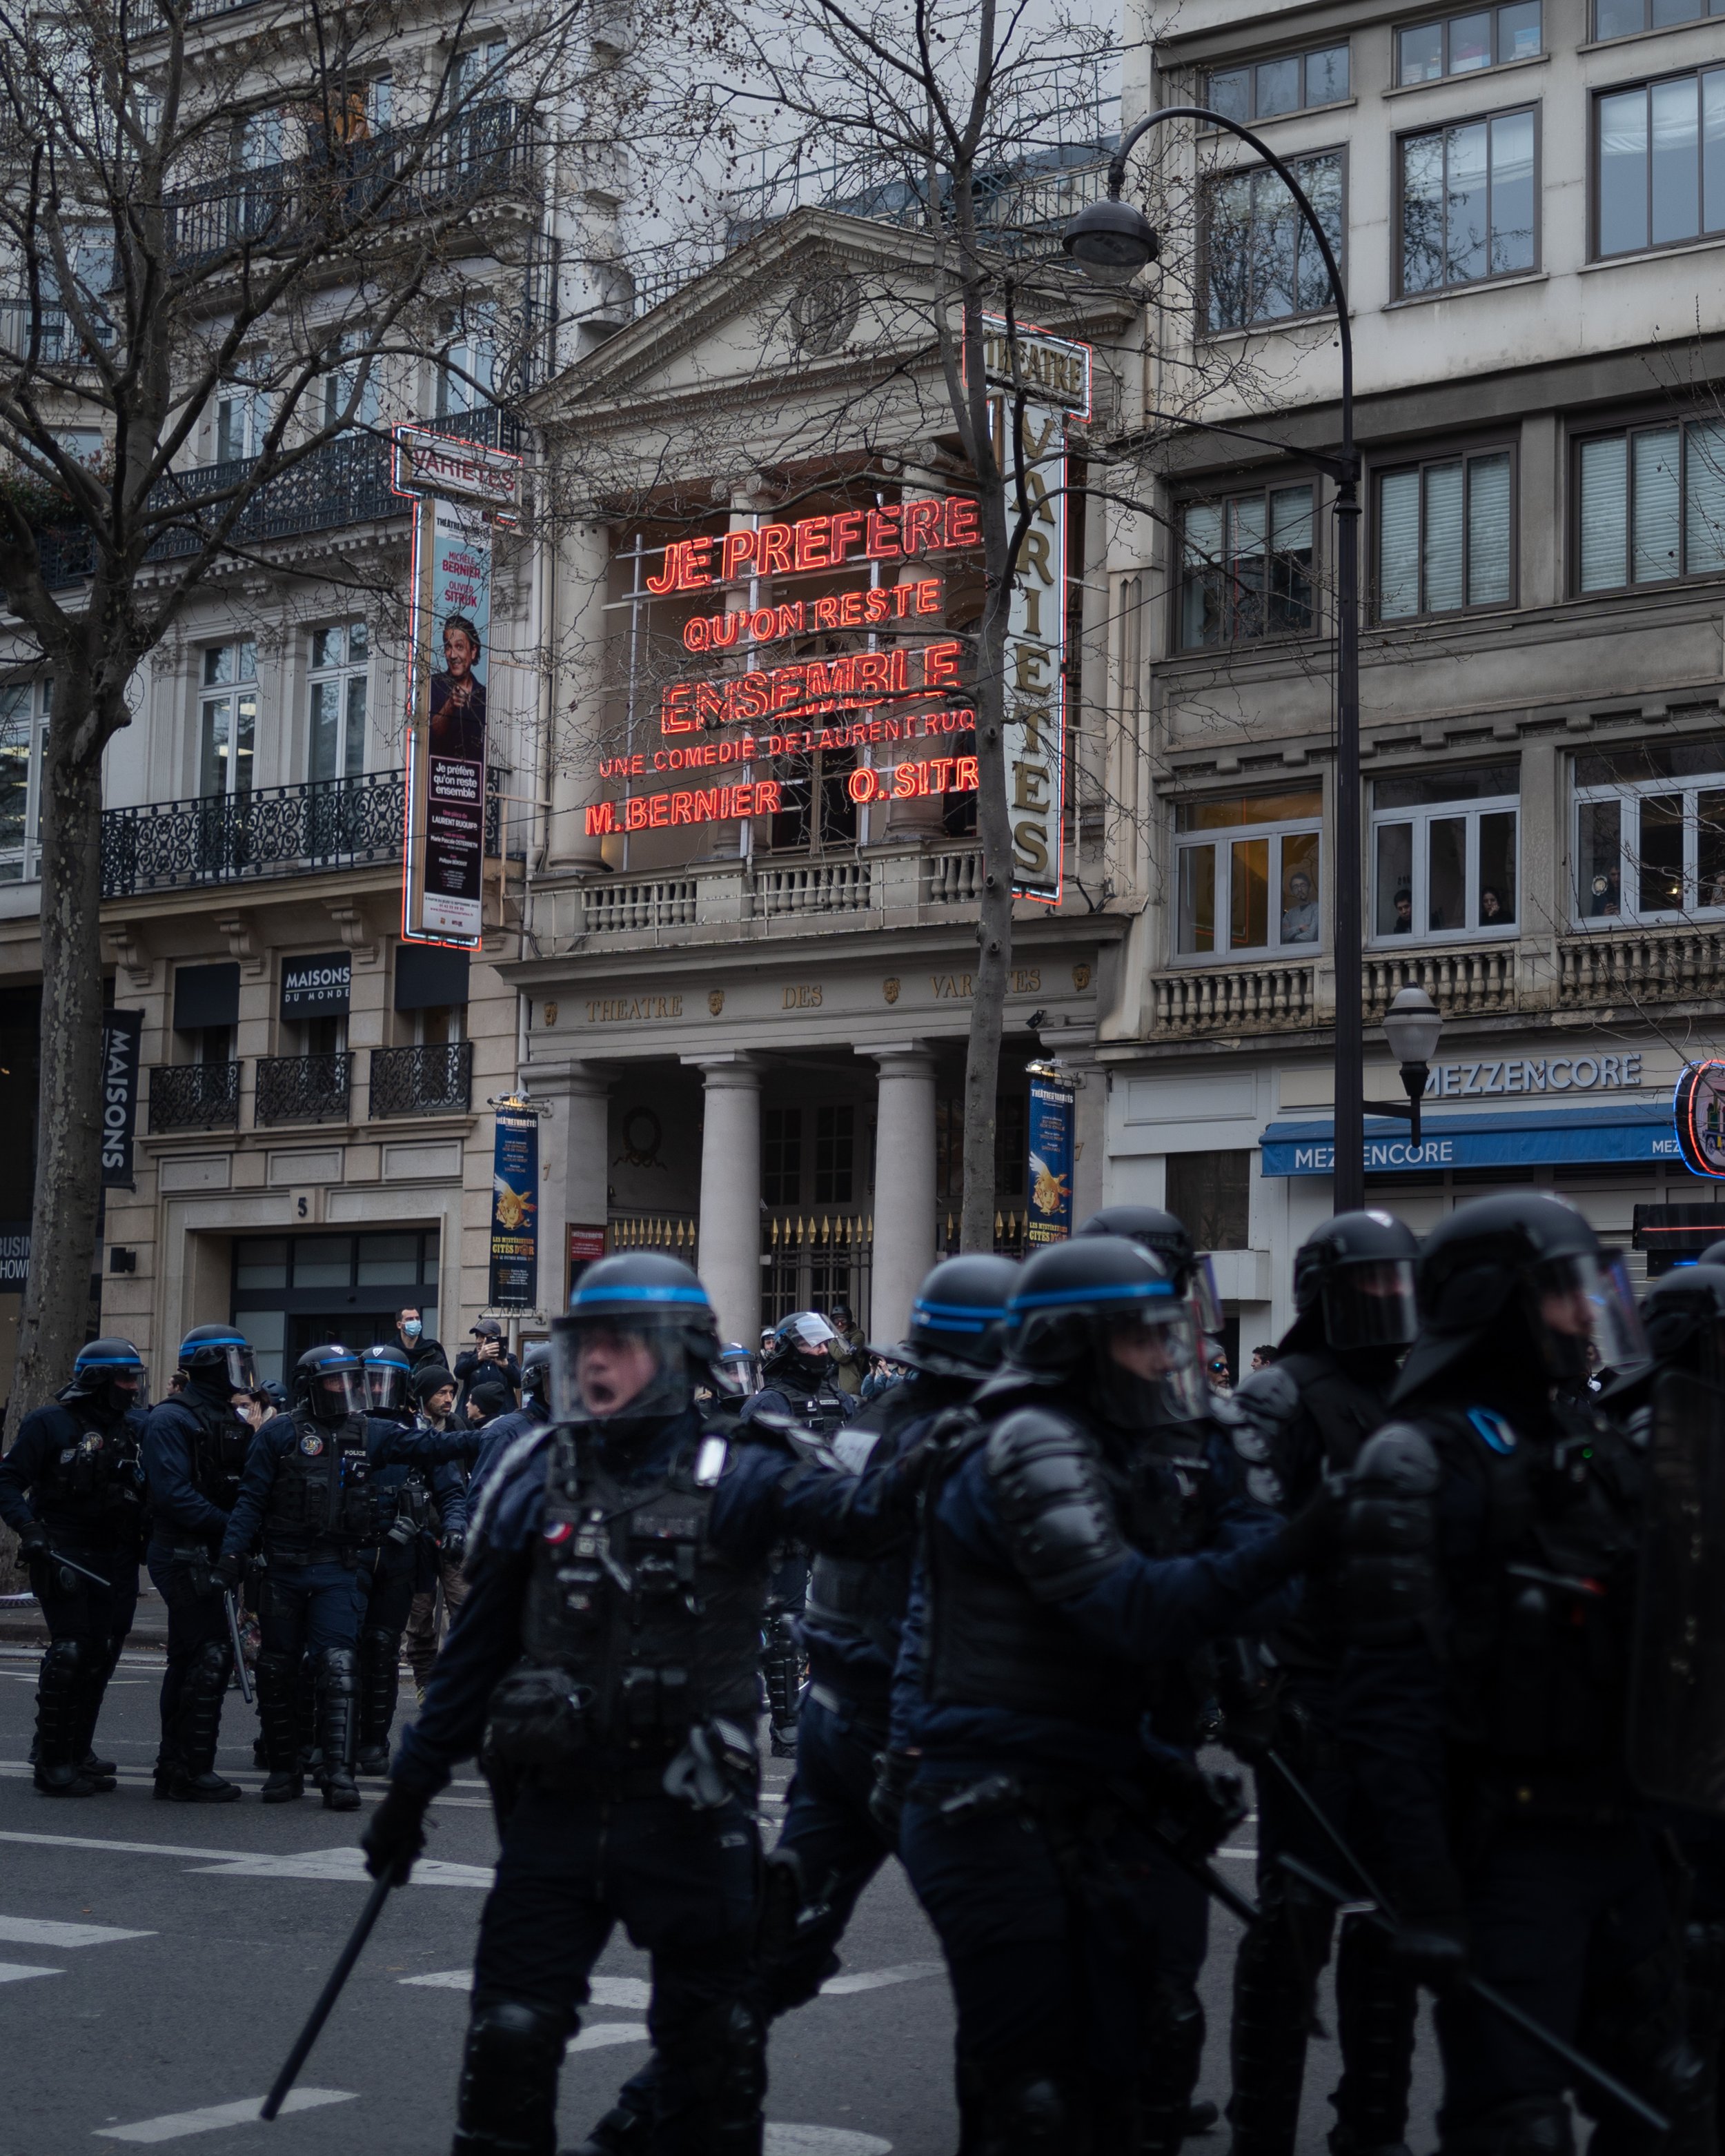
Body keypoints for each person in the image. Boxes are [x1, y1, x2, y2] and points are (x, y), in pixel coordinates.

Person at [359, 1252, 935, 2156]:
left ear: (677, 1357)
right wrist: (410, 1788)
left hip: (693, 1818)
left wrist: (926, 1442)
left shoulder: (744, 1469)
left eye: (620, 1346)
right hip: (552, 1812)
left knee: (712, 2070)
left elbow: (859, 1518)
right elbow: (473, 1655)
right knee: (507, 2044)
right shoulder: (533, 1468)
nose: (595, 1363)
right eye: (586, 1342)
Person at [895, 1235, 1337, 2149]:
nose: (1169, 1355)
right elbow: (1131, 1611)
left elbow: (1268, 1599)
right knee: (1031, 2095)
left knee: (1134, 2064)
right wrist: (1297, 1535)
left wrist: (1247, 1481)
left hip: (1112, 1786)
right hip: (991, 1797)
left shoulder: (1139, 1447)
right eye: (1145, 1338)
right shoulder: (1029, 1442)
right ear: (1079, 1344)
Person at [1339, 1194, 1699, 2156]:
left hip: (1624, 1839)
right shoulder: (1415, 1460)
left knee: (1675, 2111)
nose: (1588, 1316)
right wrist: (1426, 1895)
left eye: (1592, 1293)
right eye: (1561, 1295)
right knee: (1515, 2128)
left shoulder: (1594, 1445)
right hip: (1508, 1851)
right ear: (1495, 1302)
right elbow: (1392, 1706)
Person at [1223, 1211, 1422, 2156]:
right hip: (1308, 1687)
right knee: (1294, 1920)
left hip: (1394, 1694)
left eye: (1400, 1282)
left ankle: (1371, 2123)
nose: (1389, 1300)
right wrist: (1256, 1685)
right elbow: (1243, 1546)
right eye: (1372, 1284)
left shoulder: (1414, 1392)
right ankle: (1262, 2126)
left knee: (1390, 1922)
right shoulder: (1279, 1396)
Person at [219, 1344, 482, 1807]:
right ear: (309, 1387)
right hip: (283, 1569)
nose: (345, 1391)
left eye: (350, 1381)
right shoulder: (278, 1434)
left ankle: (339, 1775)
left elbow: (429, 1447)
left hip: (339, 1567)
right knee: (279, 1669)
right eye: (334, 1382)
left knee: (341, 1665)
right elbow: (250, 1501)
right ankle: (285, 1769)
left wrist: (485, 1438)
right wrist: (231, 1556)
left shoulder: (368, 1431)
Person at [0, 1340, 149, 1797]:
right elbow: (8, 1481)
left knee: (102, 1653)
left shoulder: (132, 1427)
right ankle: (51, 1761)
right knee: (71, 1650)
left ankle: (75, 1748)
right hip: (61, 1551)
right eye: (125, 1378)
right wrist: (30, 1529)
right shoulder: (49, 1422)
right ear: (99, 1380)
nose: (133, 1386)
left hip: (112, 1554)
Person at [142, 1325, 260, 1802]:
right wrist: (233, 1526)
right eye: (233, 1361)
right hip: (181, 1551)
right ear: (210, 1364)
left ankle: (184, 1764)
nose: (242, 1370)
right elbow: (174, 1496)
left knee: (199, 1655)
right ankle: (183, 1768)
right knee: (203, 1654)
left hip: (215, 1547)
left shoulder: (230, 1416)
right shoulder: (170, 1419)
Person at [355, 1343, 466, 1779]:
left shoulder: (425, 1432)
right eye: (371, 1381)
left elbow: (453, 1487)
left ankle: (374, 1742)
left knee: (385, 1646)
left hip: (411, 1549)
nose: (378, 1392)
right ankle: (324, 1741)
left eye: (388, 1382)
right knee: (341, 1649)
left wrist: (456, 1525)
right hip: (352, 1553)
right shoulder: (339, 1428)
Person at [404, 1363, 473, 1699]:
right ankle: (424, 1682)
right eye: (441, 1393)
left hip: (453, 1529)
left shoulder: (458, 1425)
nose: (448, 1399)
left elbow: (464, 1480)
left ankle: (463, 1681)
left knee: (465, 1604)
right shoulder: (407, 1427)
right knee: (420, 1615)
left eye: (451, 1393)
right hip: (417, 1535)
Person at [747, 1311, 855, 1438]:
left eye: (825, 1343)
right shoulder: (765, 1405)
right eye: (813, 1343)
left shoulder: (842, 1399)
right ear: (789, 1351)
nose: (824, 1350)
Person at [428, 614, 487, 759]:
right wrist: (450, 705)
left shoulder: (484, 695)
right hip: (440, 776)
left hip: (473, 779)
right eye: (448, 647)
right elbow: (430, 733)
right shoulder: (434, 685)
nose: (453, 655)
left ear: (473, 652)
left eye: (459, 647)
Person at [455, 1319, 522, 1405]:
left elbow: (520, 1383)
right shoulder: (467, 1357)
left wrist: (506, 1367)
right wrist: (478, 1358)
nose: (478, 1341)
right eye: (477, 1336)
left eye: (483, 1336)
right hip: (473, 1413)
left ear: (496, 1338)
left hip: (501, 1415)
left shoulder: (510, 1359)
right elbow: (459, 1372)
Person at [826, 1302, 868, 1399]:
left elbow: (842, 1356)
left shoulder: (857, 1336)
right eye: (836, 1321)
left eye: (843, 1320)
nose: (840, 1324)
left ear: (849, 1321)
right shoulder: (830, 1333)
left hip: (849, 1387)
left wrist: (831, 1338)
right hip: (829, 1382)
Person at [396, 1307, 446, 1372]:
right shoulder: (391, 1351)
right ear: (399, 1325)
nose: (415, 1322)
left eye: (417, 1319)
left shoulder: (432, 1351)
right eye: (410, 1319)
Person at [1281, 869, 1319, 943]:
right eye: (1295, 887)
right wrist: (1300, 928)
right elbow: (1282, 936)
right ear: (1292, 892)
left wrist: (1291, 937)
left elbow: (1311, 936)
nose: (1299, 889)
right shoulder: (1290, 914)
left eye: (1303, 885)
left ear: (1310, 888)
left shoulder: (1317, 908)